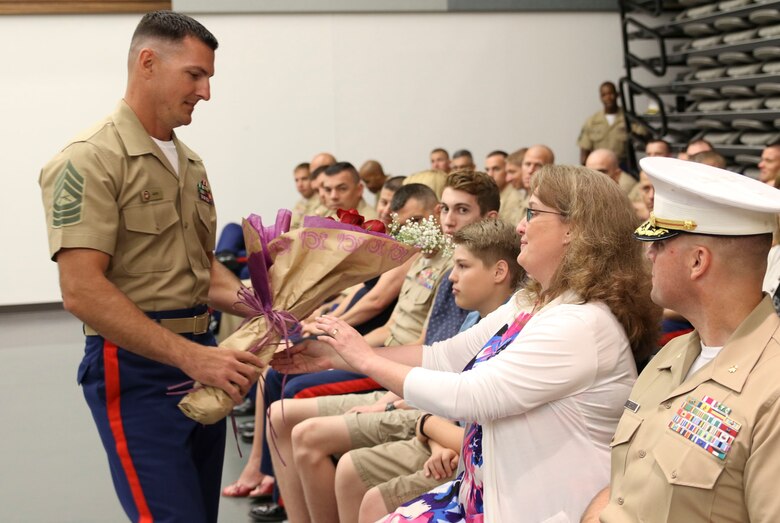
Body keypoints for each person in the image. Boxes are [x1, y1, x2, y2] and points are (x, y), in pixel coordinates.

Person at [274, 164, 660, 522]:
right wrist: (337, 356)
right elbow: (446, 355)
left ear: (574, 228)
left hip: (536, 508)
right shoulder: (534, 300)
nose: (520, 227)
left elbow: (473, 395)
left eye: (532, 213)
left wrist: (366, 360)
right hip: (485, 494)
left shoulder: (582, 323)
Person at [38, 11, 263, 523]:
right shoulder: (89, 159)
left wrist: (267, 309)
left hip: (202, 357)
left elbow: (201, 270)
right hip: (136, 367)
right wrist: (191, 358)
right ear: (147, 63)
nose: (205, 92)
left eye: (208, 78)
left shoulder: (191, 165)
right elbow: (81, 291)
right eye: (194, 74)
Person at [583, 156, 780, 522]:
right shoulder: (671, 354)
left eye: (658, 243)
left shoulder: (772, 390)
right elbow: (630, 488)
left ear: (697, 262)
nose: (649, 253)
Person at [578, 81, 631, 166]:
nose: (608, 98)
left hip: (622, 166)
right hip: (599, 167)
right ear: (600, 97)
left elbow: (643, 137)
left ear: (617, 95)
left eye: (611, 94)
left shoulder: (628, 118)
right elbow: (584, 154)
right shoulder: (592, 121)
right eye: (604, 95)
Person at [290, 162, 315, 229]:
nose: (300, 184)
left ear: (314, 179)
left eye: (304, 179)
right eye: (297, 180)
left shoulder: (326, 202)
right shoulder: (299, 204)